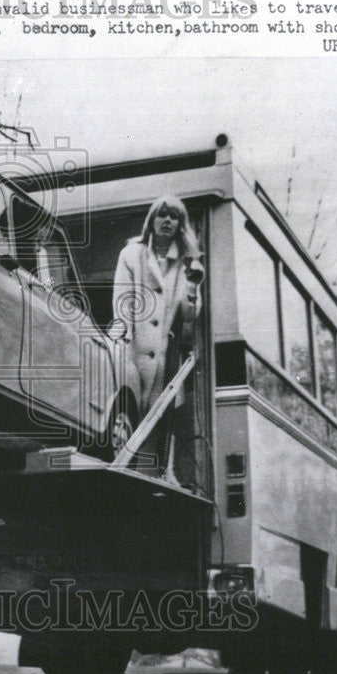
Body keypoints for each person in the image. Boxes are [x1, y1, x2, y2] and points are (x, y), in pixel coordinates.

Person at [112, 195, 205, 475]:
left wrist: (192, 284)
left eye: (174, 216)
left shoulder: (187, 264)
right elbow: (122, 305)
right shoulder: (131, 255)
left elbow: (191, 314)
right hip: (131, 354)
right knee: (126, 421)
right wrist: (123, 348)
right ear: (151, 221)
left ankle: (153, 478)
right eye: (162, 215)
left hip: (164, 360)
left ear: (180, 224)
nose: (167, 221)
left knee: (157, 425)